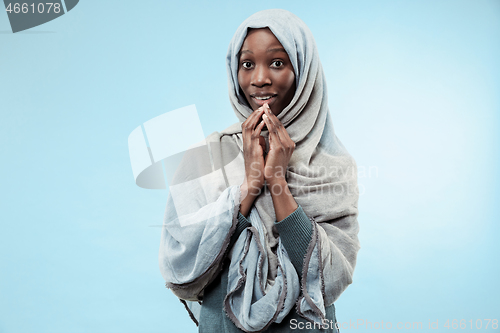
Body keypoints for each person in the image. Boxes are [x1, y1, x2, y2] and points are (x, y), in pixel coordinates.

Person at [159, 9, 360, 333]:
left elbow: (329, 277)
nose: (260, 78)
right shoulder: (209, 154)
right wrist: (251, 184)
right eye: (248, 64)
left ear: (304, 71)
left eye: (277, 63)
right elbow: (182, 262)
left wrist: (276, 182)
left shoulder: (331, 164)